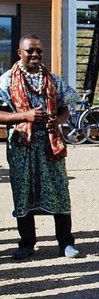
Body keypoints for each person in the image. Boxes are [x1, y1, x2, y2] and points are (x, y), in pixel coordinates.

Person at [0, 34, 80, 260]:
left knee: (59, 191)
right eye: (30, 51)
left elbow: (65, 108)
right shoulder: (6, 81)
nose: (35, 55)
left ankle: (65, 242)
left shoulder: (53, 80)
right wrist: (25, 115)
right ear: (20, 53)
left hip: (50, 145)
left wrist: (59, 120)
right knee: (23, 193)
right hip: (21, 146)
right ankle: (27, 243)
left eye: (39, 51)